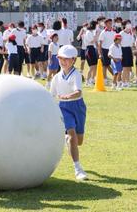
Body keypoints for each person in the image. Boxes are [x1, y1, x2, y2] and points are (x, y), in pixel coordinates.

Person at [50, 45, 88, 181]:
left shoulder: (76, 74)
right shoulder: (56, 78)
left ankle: (69, 139)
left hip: (78, 106)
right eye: (60, 58)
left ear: (73, 60)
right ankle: (78, 168)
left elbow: (78, 92)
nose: (63, 61)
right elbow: (50, 95)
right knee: (72, 134)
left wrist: (68, 96)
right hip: (63, 108)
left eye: (66, 59)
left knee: (79, 141)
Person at [98, 18, 116, 85]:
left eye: (111, 23)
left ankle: (115, 77)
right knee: (105, 66)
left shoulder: (114, 31)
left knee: (113, 64)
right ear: (105, 24)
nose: (110, 24)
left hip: (112, 50)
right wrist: (99, 53)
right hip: (104, 50)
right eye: (109, 23)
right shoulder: (103, 32)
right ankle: (104, 79)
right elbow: (100, 43)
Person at [119, 20, 135, 88]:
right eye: (127, 24)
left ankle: (127, 82)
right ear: (124, 25)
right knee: (125, 68)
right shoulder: (121, 33)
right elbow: (119, 44)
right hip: (123, 50)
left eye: (129, 23)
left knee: (128, 68)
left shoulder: (131, 33)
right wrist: (120, 54)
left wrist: (132, 53)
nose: (129, 25)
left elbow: (132, 44)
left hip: (129, 50)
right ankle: (123, 82)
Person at [84, 20, 98, 86]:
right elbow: (92, 41)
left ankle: (92, 79)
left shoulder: (91, 32)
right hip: (89, 49)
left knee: (95, 65)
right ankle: (87, 81)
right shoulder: (88, 32)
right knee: (92, 66)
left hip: (92, 49)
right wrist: (96, 35)